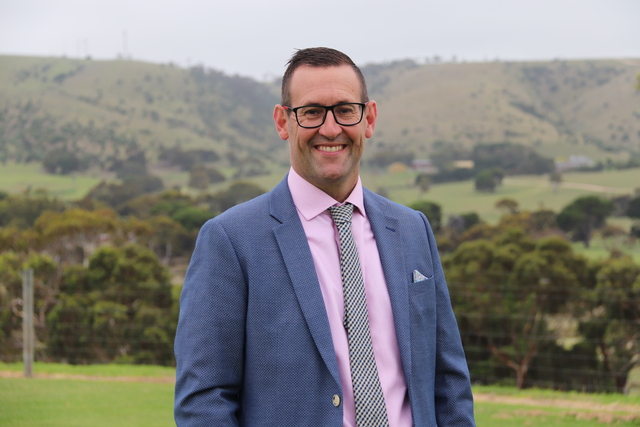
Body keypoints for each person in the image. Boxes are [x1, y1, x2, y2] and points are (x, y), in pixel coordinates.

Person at [174, 47, 475, 426]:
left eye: (345, 110)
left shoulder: (413, 229)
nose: (331, 129)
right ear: (283, 122)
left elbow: (449, 383)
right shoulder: (230, 240)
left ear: (369, 118)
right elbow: (204, 400)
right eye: (312, 112)